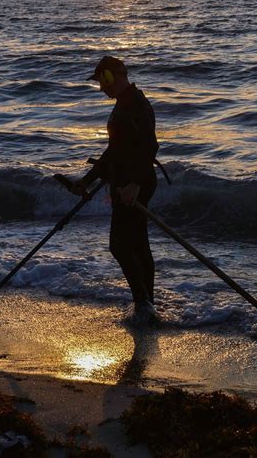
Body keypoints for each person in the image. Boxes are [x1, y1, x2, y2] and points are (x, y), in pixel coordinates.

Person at [71, 56, 159, 324]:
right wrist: (87, 180)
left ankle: (143, 305)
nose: (101, 88)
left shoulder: (136, 104)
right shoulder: (124, 103)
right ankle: (147, 306)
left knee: (120, 244)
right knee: (137, 244)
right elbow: (113, 152)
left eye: (103, 81)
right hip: (123, 183)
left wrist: (134, 184)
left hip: (134, 185)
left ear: (113, 77)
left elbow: (149, 147)